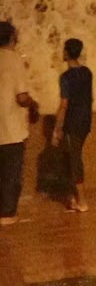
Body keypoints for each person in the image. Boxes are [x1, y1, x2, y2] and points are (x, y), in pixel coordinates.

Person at [0, 22, 39, 226]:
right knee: (11, 173)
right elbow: (21, 97)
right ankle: (7, 214)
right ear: (13, 39)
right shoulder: (14, 60)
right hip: (10, 128)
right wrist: (34, 105)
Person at [52, 38, 93, 212]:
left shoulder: (66, 77)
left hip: (72, 123)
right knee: (72, 157)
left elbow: (64, 104)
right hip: (85, 121)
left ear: (67, 53)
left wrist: (57, 129)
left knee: (75, 159)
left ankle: (82, 200)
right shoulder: (87, 73)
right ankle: (73, 198)